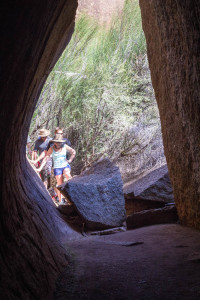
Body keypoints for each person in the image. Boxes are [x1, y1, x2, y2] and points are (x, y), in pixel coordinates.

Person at [34, 133, 76, 204]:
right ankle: (60, 201)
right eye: (57, 142)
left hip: (65, 165)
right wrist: (39, 168)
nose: (58, 143)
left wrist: (70, 160)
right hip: (57, 168)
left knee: (67, 174)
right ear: (54, 142)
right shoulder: (51, 148)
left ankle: (74, 192)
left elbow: (73, 151)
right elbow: (45, 159)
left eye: (60, 142)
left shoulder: (64, 146)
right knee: (60, 185)